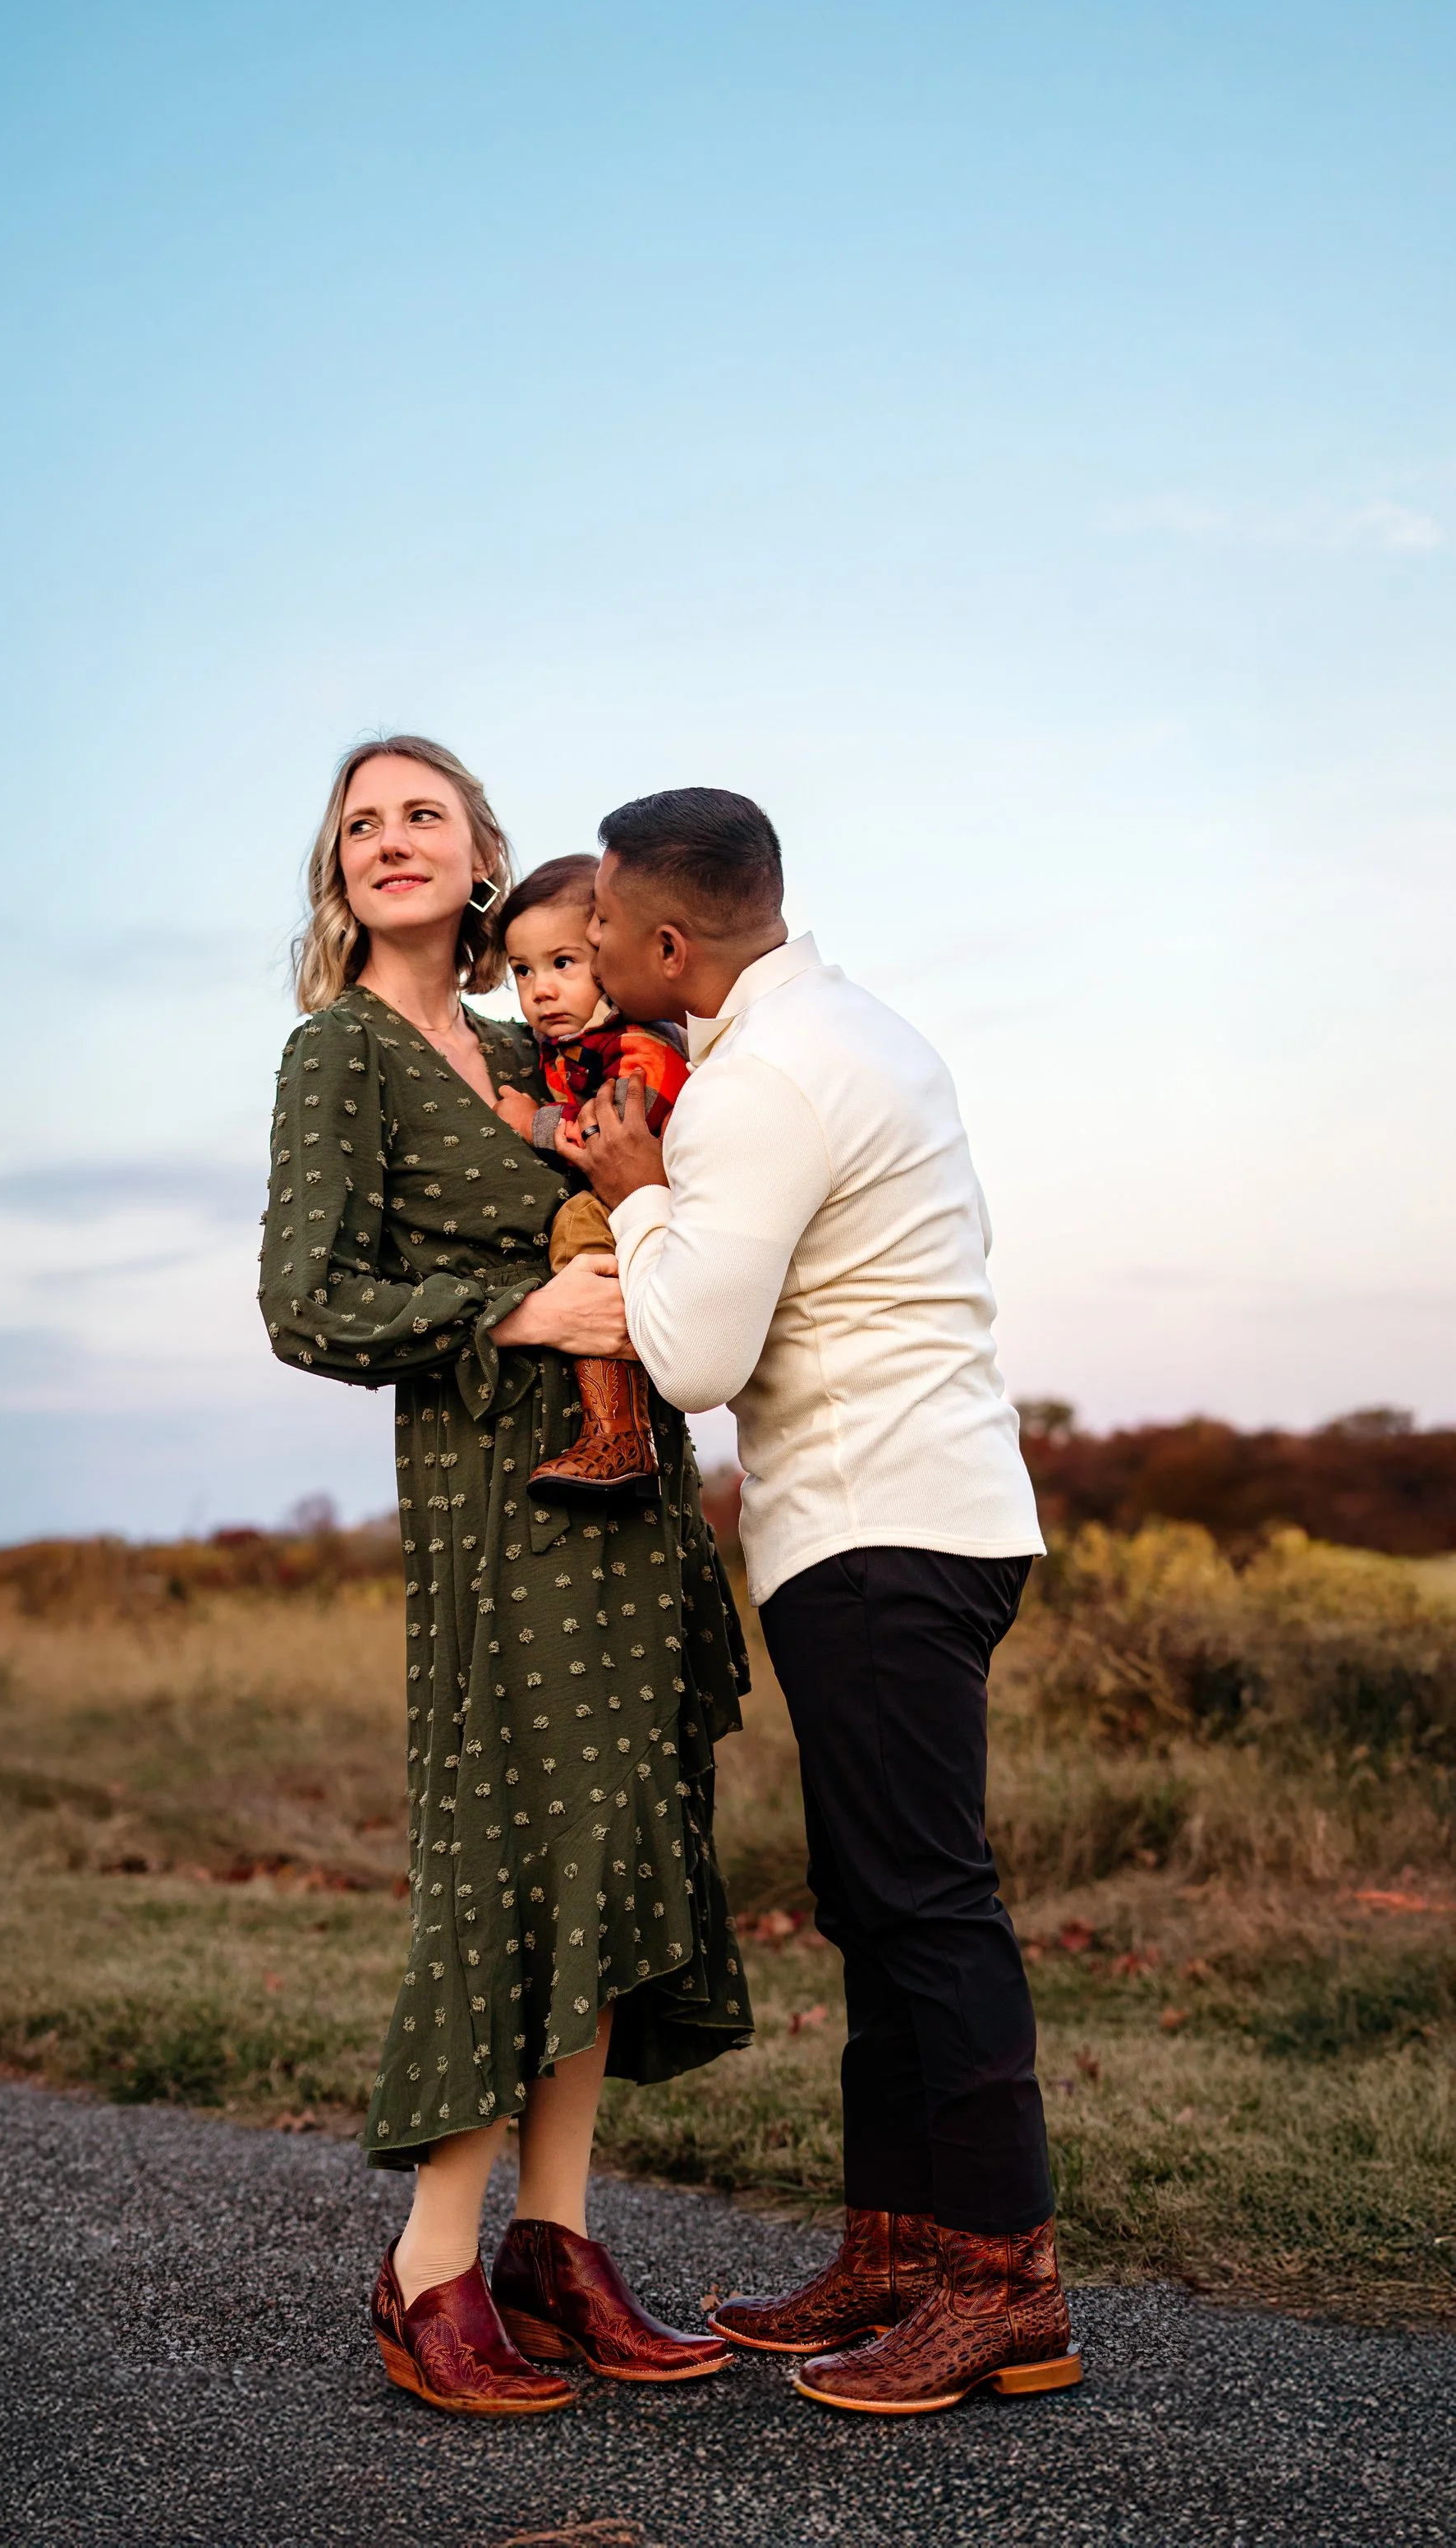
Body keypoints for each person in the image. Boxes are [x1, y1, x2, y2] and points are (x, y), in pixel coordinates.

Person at [563, 786, 1080, 2418]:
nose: (577, 946)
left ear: (664, 940)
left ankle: (1002, 2283)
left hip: (872, 1527)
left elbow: (696, 1355)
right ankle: (896, 2246)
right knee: (877, 1899)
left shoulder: (752, 1086)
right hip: (931, 1512)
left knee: (922, 1904)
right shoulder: (860, 1029)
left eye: (597, 928)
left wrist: (639, 1189)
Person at [258, 736, 750, 2417]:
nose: (389, 840)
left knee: (605, 1847)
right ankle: (429, 2264)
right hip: (492, 1494)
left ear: (482, 856)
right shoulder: (338, 1053)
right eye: (359, 825)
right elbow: (306, 1305)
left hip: (626, 1499)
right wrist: (512, 1312)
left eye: (420, 815)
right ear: (338, 877)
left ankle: (555, 2240)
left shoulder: (524, 1029)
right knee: (496, 1858)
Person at [488, 852, 691, 1505]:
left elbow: (618, 1134)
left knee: (578, 1223)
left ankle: (620, 1435)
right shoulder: (568, 1045)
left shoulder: (643, 1042)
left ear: (608, 952)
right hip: (641, 1202)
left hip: (670, 1201)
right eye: (523, 971)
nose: (540, 989)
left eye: (563, 963)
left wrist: (535, 1124)